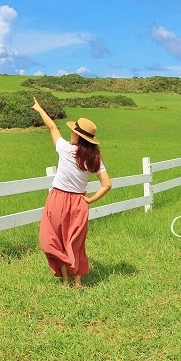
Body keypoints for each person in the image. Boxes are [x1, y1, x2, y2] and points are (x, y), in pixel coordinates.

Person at [31, 97, 111, 289]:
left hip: (58, 198)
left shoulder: (65, 149)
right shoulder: (94, 158)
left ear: (77, 136)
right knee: (74, 242)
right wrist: (90, 199)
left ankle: (66, 280)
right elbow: (107, 184)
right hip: (79, 202)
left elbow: (52, 128)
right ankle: (77, 282)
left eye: (73, 132)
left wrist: (39, 109)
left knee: (53, 239)